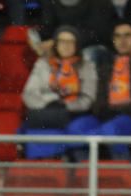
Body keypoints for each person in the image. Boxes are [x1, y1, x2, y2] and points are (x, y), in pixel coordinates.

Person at [66, 21, 131, 161]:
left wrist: (118, 110)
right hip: (108, 118)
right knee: (76, 127)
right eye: (117, 36)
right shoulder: (107, 66)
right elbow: (97, 100)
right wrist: (106, 110)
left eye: (127, 35)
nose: (122, 41)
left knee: (113, 128)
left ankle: (121, 177)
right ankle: (85, 174)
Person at [20, 25, 97, 159]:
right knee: (29, 130)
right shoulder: (43, 64)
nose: (66, 45)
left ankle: (69, 169)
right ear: (56, 44)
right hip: (46, 112)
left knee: (75, 129)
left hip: (75, 114)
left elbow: (88, 99)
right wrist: (50, 103)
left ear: (77, 45)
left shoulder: (87, 66)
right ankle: (44, 171)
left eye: (70, 42)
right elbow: (29, 93)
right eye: (62, 41)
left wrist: (65, 106)